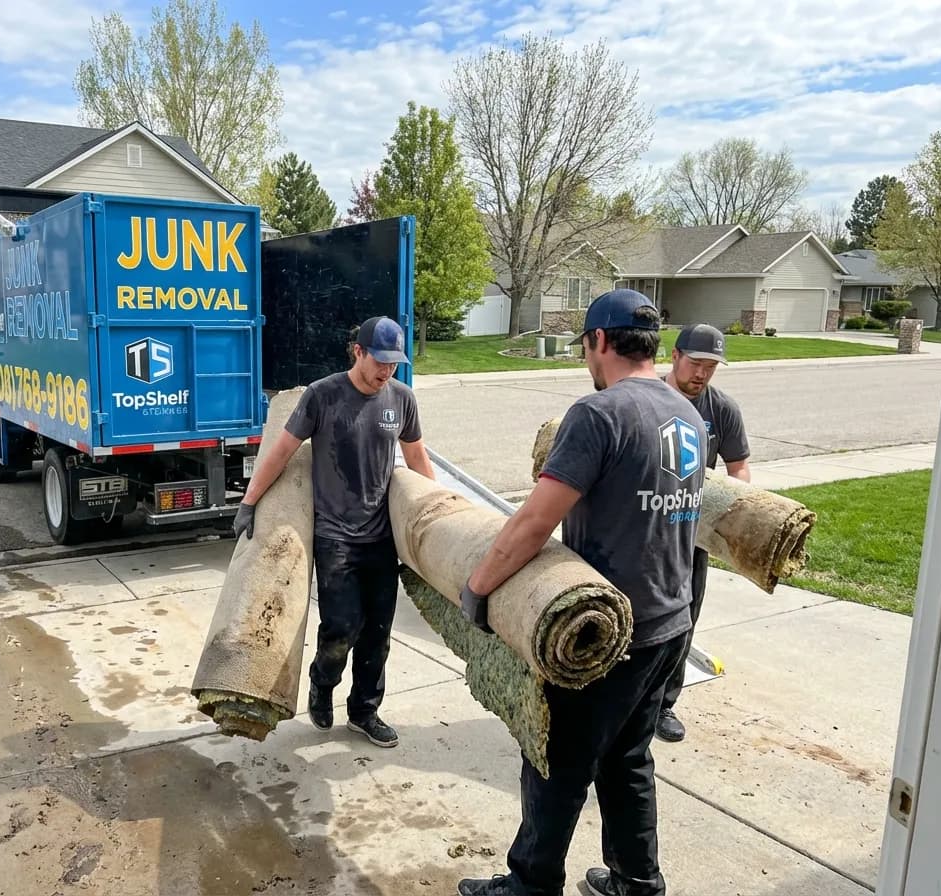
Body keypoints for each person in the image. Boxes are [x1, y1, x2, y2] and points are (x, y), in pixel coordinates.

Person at [455, 289, 706, 896]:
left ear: (599, 341)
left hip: (602, 632)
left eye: (585, 349)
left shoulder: (600, 415)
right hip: (670, 623)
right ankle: (636, 880)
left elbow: (534, 522)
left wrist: (479, 587)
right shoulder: (686, 414)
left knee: (555, 763)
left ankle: (530, 883)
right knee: (628, 759)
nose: (585, 363)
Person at [233, 315, 434, 749]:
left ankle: (364, 711)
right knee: (341, 627)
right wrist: (249, 502)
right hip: (336, 537)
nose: (386, 372)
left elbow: (417, 461)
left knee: (378, 634)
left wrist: (434, 517)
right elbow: (281, 452)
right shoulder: (323, 396)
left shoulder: (401, 399)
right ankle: (322, 683)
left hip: (381, 538)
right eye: (379, 361)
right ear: (357, 352)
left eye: (394, 364)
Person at [656, 323, 751, 743]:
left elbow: (738, 468)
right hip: (643, 528)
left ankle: (664, 706)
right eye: (696, 364)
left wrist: (735, 510)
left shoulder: (721, 410)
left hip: (691, 534)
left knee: (683, 621)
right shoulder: (647, 399)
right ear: (674, 356)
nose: (702, 374)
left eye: (711, 367)